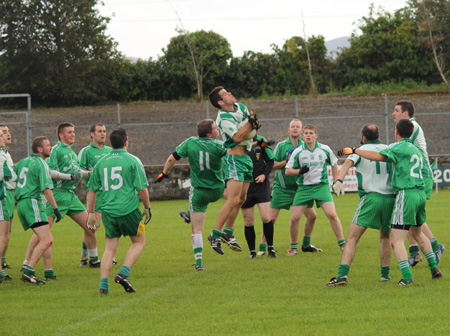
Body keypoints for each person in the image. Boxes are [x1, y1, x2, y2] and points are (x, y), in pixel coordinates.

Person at [338, 119, 443, 285]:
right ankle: (434, 269)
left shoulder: (397, 147)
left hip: (405, 194)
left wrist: (355, 150)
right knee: (418, 233)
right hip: (419, 193)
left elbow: (378, 157)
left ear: (396, 132)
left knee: (396, 239)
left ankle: (407, 278)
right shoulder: (415, 150)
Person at [21, 123, 99, 280]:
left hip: (70, 195)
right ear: (61, 136)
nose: (73, 134)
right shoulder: (56, 150)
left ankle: (94, 260)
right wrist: (68, 176)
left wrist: (91, 174)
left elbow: (76, 172)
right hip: (56, 195)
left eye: (74, 131)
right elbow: (48, 171)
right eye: (70, 132)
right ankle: (29, 264)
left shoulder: (71, 152)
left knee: (91, 226)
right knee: (43, 233)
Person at [324, 125, 394, 286]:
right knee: (385, 237)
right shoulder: (388, 148)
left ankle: (342, 275)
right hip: (390, 198)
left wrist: (339, 180)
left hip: (371, 198)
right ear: (379, 135)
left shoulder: (360, 150)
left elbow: (348, 162)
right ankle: (385, 275)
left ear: (363, 138)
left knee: (352, 238)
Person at [155, 119, 227, 270]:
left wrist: (164, 173)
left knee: (197, 230)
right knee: (233, 200)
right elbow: (237, 150)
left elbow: (171, 158)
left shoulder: (190, 142)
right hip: (218, 190)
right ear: (209, 134)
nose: (218, 129)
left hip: (200, 192)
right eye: (215, 128)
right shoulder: (220, 145)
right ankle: (226, 231)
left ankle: (199, 263)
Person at [87, 128, 151, 294]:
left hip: (108, 212)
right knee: (139, 242)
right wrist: (147, 207)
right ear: (126, 142)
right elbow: (142, 189)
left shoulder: (101, 162)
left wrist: (91, 213)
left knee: (109, 249)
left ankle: (103, 285)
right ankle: (123, 272)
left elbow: (92, 190)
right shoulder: (133, 160)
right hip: (129, 210)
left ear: (110, 143)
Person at [207, 86, 260, 255]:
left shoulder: (242, 107)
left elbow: (250, 131)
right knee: (233, 199)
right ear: (221, 103)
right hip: (234, 159)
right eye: (225, 94)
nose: (230, 93)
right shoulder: (223, 118)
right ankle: (215, 234)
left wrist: (251, 126)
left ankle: (228, 233)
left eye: (228, 91)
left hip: (246, 157)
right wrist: (251, 124)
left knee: (241, 199)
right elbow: (237, 137)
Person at [392, 101, 445, 267]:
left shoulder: (412, 125)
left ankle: (435, 246)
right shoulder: (412, 125)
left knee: (410, 212)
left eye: (396, 110)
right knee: (408, 214)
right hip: (416, 174)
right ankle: (415, 252)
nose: (393, 113)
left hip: (421, 175)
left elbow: (398, 147)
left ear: (405, 114)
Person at [285, 124, 345, 251]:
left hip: (321, 187)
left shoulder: (325, 149)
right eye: (306, 133)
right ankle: (293, 248)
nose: (308, 135)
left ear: (316, 136)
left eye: (311, 133)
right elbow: (288, 171)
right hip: (304, 188)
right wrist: (299, 171)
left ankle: (343, 244)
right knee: (295, 218)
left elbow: (334, 164)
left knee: (332, 214)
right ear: (303, 135)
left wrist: (336, 181)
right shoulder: (298, 151)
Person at [266, 119, 319, 257]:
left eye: (298, 127)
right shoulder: (281, 146)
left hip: (300, 189)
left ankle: (306, 245)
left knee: (312, 216)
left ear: (302, 131)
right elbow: (272, 166)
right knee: (271, 218)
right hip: (282, 188)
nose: (295, 129)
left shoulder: (305, 146)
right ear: (288, 130)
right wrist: (287, 161)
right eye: (292, 127)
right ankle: (262, 248)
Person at [14, 136, 62, 284]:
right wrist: (55, 209)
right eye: (48, 146)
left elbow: (13, 175)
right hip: (32, 202)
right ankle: (28, 271)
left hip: (22, 203)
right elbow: (46, 189)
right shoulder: (41, 163)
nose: (51, 148)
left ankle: (48, 271)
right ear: (40, 149)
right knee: (46, 240)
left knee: (47, 239)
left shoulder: (24, 161)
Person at [78, 123, 114, 266]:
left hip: (110, 194)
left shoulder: (110, 151)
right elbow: (80, 171)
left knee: (109, 225)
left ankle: (85, 257)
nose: (103, 134)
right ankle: (93, 258)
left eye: (104, 131)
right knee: (92, 226)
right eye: (100, 131)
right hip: (96, 193)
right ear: (92, 134)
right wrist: (91, 174)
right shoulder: (86, 151)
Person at [242, 134, 276, 259]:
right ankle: (252, 252)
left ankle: (271, 249)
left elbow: (271, 161)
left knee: (266, 217)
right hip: (245, 187)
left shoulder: (262, 140)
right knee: (248, 221)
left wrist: (264, 175)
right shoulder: (239, 141)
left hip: (261, 186)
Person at [0, 125, 16, 281]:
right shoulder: (1, 156)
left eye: (7, 132)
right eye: (3, 133)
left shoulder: (6, 154)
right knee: (3, 236)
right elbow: (11, 176)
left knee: (7, 235)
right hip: (3, 194)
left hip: (10, 194)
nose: (6, 135)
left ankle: (3, 262)